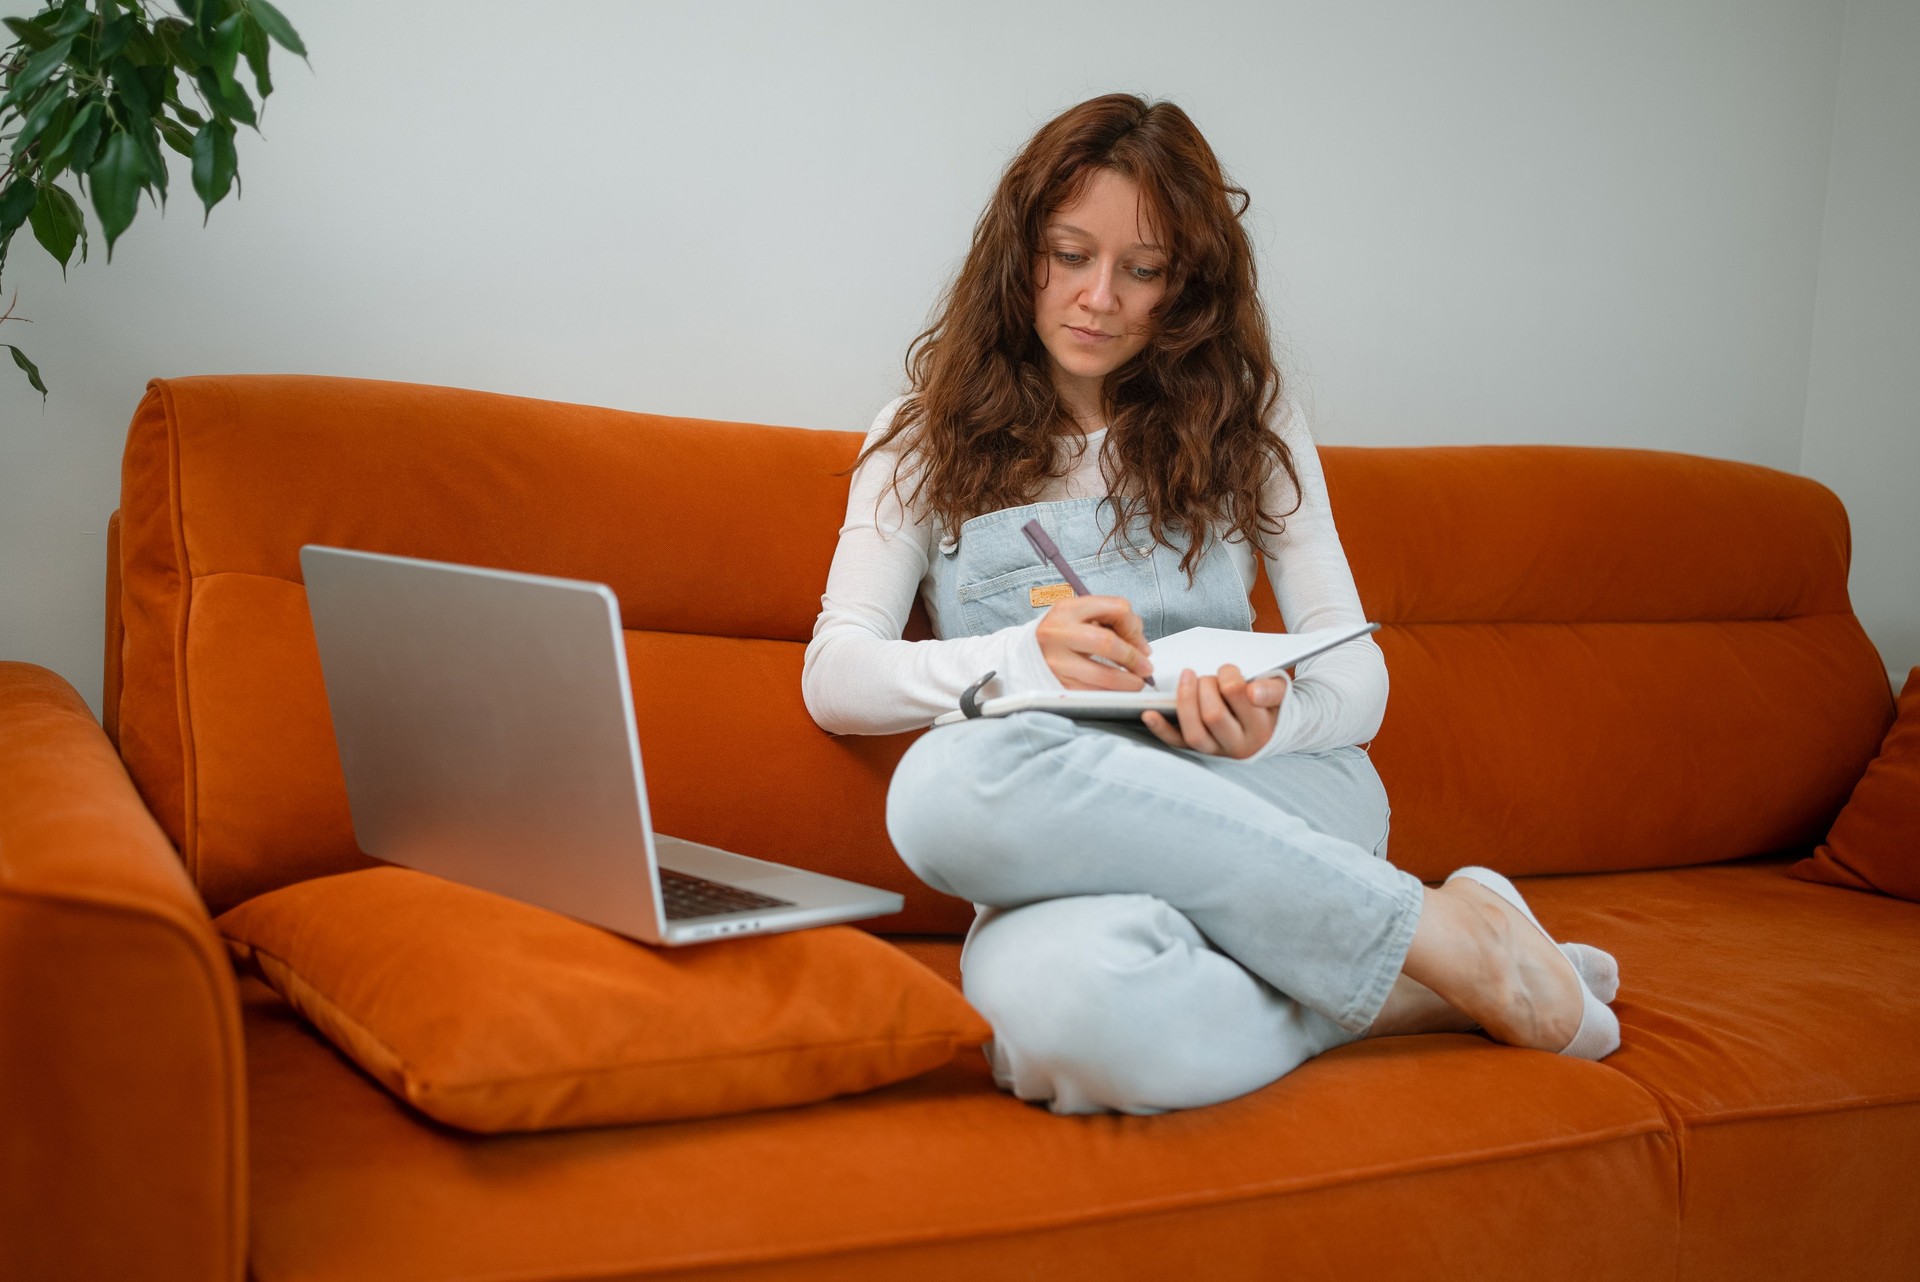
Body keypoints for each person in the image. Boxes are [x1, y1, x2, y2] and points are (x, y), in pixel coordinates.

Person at [802, 93, 1620, 1115]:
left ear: (1185, 286)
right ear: (1019, 255)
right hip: (1069, 825)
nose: (1099, 297)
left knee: (943, 788)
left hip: (1268, 795)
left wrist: (1270, 729)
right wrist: (1020, 661)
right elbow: (836, 675)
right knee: (1042, 989)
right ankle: (1427, 958)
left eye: (1141, 270)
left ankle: (1401, 943)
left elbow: (1356, 671)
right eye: (1068, 255)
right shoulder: (919, 440)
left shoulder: (1248, 419)